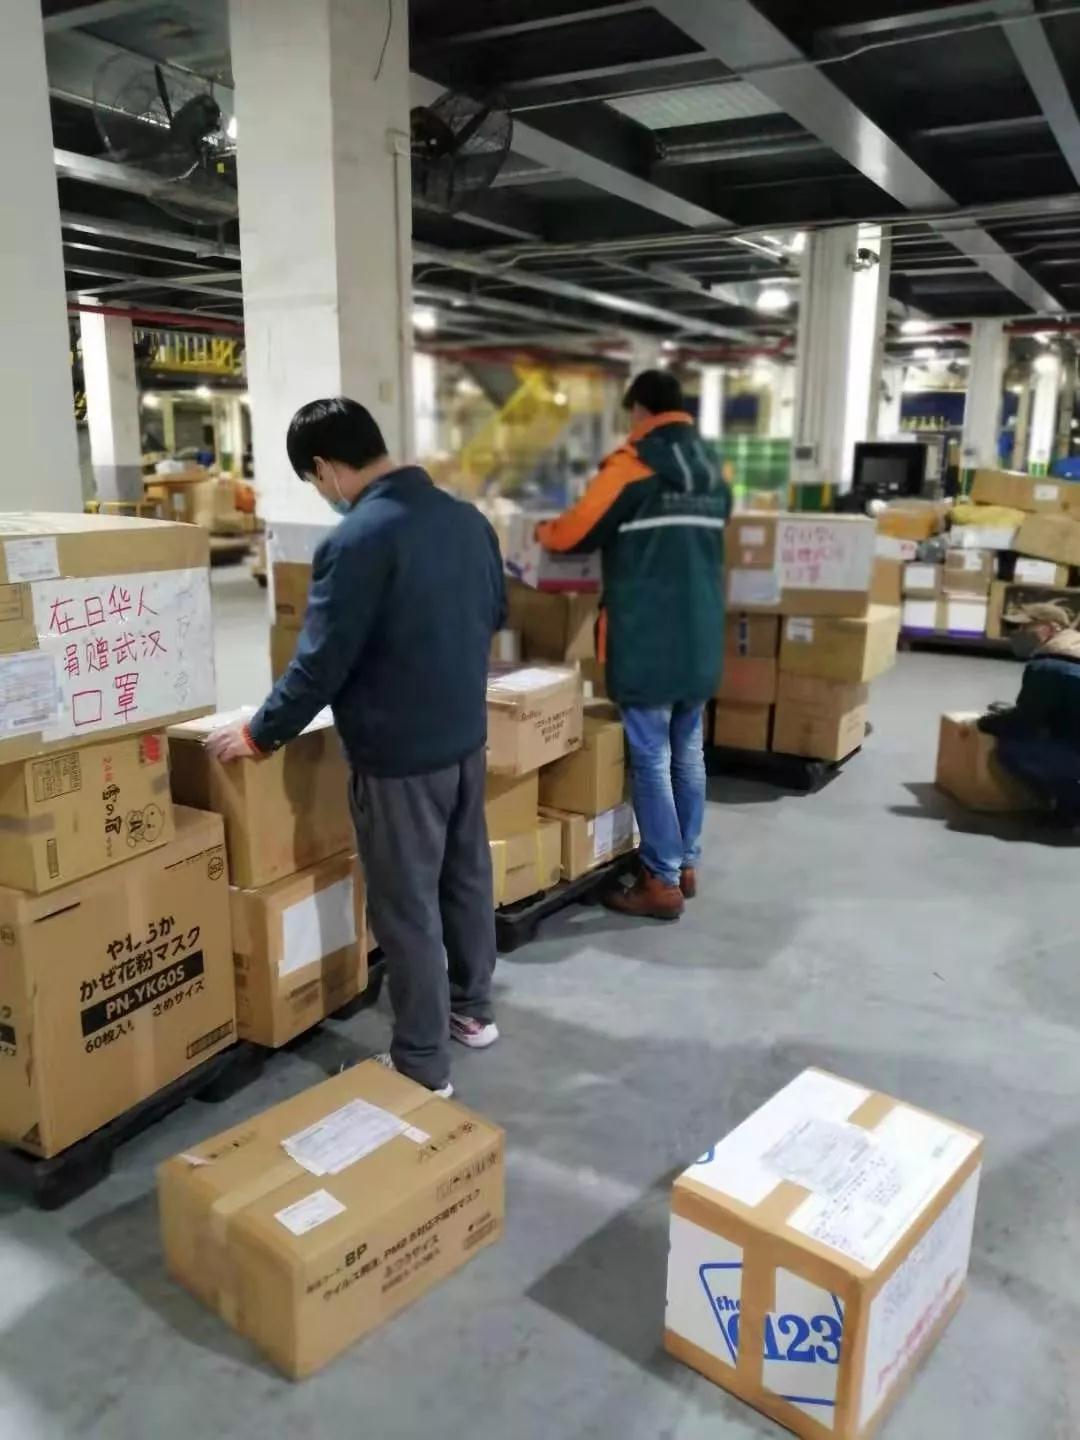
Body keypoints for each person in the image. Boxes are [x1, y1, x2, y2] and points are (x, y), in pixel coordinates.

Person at [206, 397, 506, 1096]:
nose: (323, 493)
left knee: (405, 907)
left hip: (399, 758)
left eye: (314, 482)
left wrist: (258, 731)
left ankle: (422, 1063)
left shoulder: (356, 541)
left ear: (326, 468)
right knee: (465, 876)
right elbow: (494, 614)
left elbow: (320, 664)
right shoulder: (468, 522)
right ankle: (473, 1011)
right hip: (465, 738)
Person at [536, 370, 731, 921]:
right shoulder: (713, 469)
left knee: (651, 757)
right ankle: (686, 862)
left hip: (648, 635)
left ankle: (660, 880)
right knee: (688, 751)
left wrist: (539, 533)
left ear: (640, 410)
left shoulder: (633, 466)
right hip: (700, 634)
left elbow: (574, 532)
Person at [978, 600, 1080, 821]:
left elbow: (1024, 724)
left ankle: (1071, 807)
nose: (1016, 634)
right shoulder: (1073, 653)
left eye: (1025, 627)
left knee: (1013, 749)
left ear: (1051, 628)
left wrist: (988, 722)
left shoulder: (1048, 665)